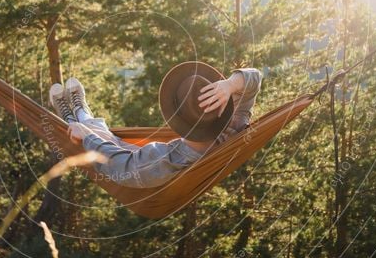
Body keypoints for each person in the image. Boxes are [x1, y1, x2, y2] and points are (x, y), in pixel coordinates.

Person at [49, 61, 263, 188]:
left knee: (108, 143)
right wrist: (229, 85)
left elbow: (120, 165)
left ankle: (73, 118)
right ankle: (80, 113)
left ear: (177, 119)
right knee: (112, 140)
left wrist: (86, 137)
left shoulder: (166, 162)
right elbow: (256, 77)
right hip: (137, 156)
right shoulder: (232, 125)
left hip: (132, 166)